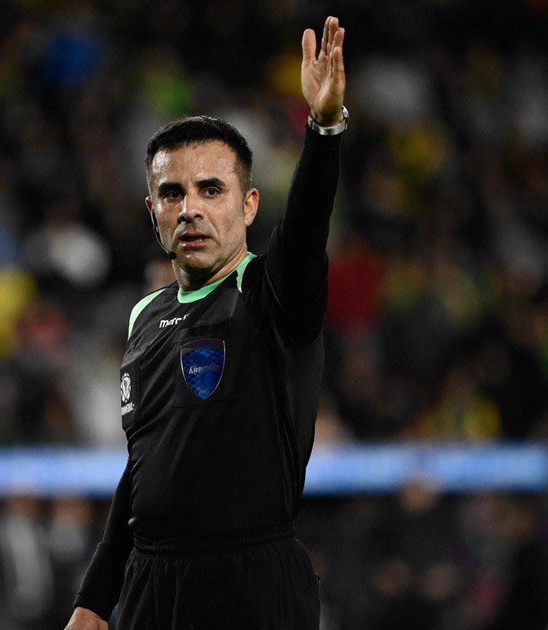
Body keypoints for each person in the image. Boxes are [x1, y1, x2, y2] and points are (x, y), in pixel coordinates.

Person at [63, 15, 347, 630]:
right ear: (153, 211)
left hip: (251, 583)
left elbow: (305, 232)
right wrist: (94, 597)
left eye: (211, 190)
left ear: (249, 205)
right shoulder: (144, 316)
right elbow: (144, 468)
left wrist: (324, 129)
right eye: (172, 193)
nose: (190, 208)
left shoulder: (271, 295)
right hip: (150, 583)